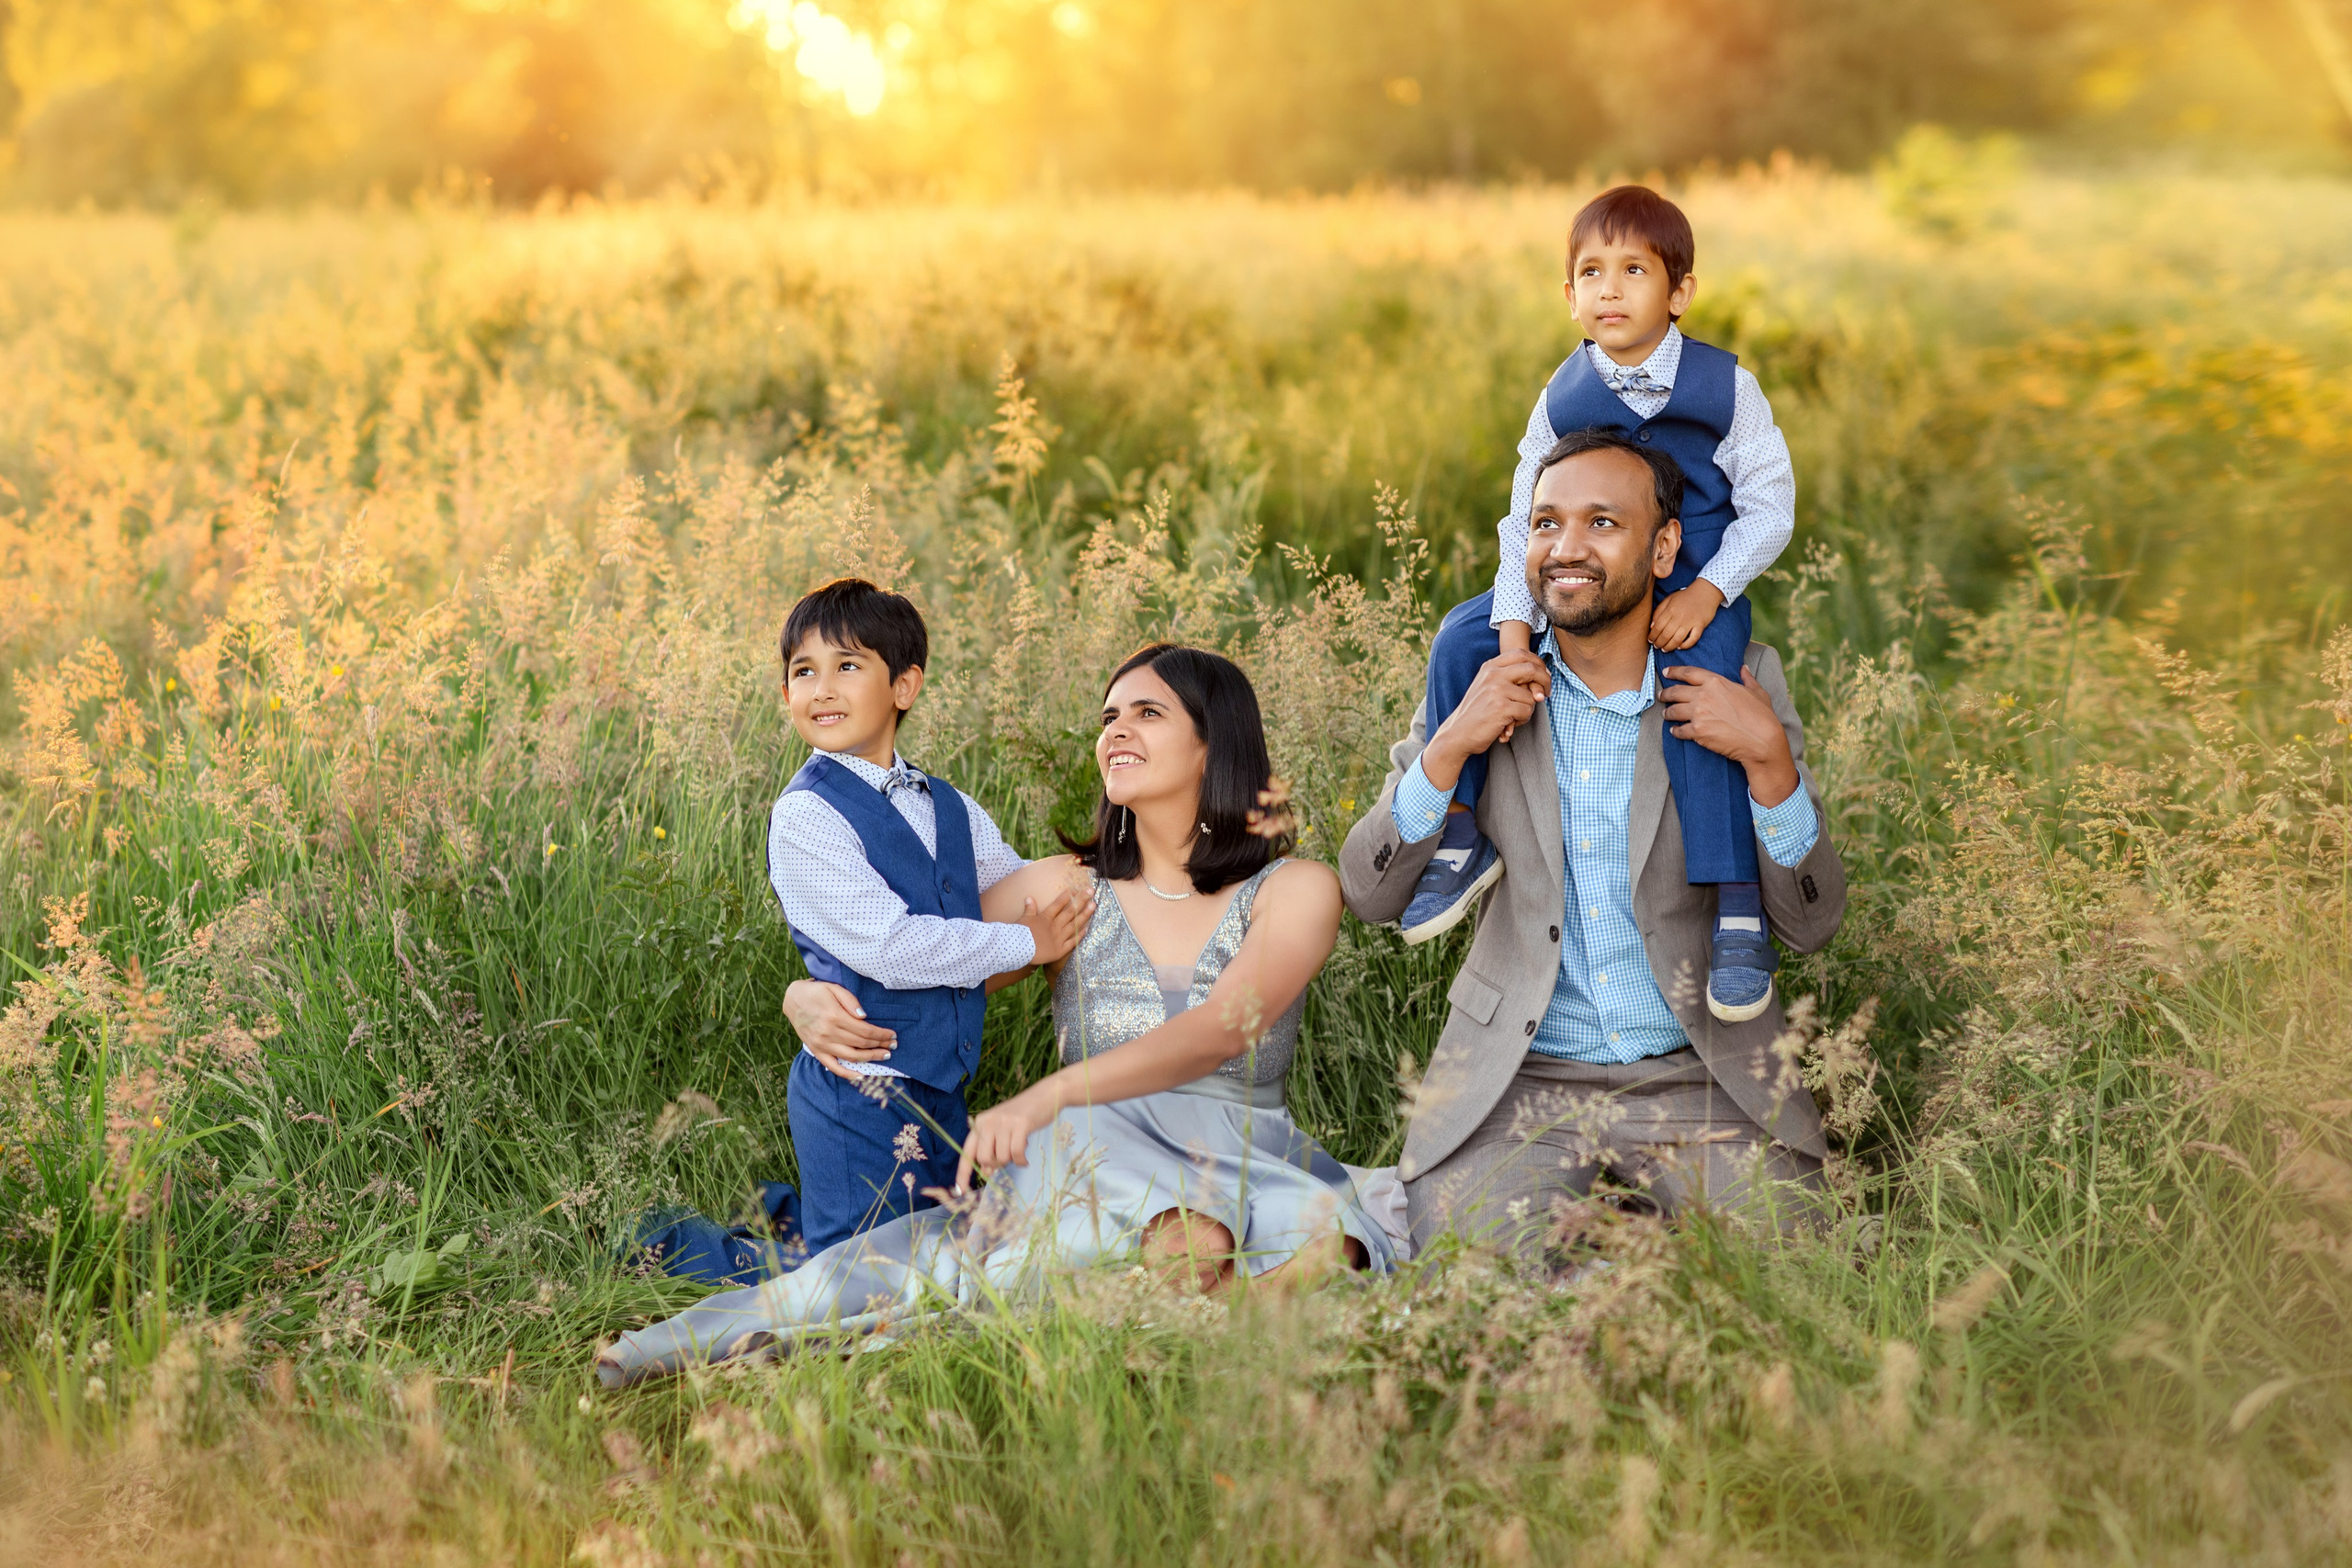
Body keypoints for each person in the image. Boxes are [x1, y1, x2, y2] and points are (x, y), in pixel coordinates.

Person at [597, 645, 1396, 1387]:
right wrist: (801, 996)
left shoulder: (1295, 888)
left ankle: (1190, 1307)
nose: (1116, 730)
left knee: (1334, 1244)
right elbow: (906, 962)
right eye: (1109, 716)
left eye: (1147, 714)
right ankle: (1173, 1297)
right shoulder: (1066, 885)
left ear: (1213, 744)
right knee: (1141, 1240)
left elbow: (1225, 1026)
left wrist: (1045, 1092)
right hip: (1093, 1140)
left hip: (1244, 1141)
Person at [1339, 429, 1846, 1265]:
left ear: (1665, 546)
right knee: (1481, 1291)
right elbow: (1370, 891)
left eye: (1603, 522)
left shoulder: (1740, 676)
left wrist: (1770, 763)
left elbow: (1811, 922)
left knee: (1791, 1284)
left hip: (1703, 1076)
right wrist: (1447, 749)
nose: (1565, 548)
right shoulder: (1482, 679)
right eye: (1545, 524)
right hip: (1517, 1082)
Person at [1402, 187, 1797, 1032]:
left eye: (1633, 270)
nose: (1610, 289)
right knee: (1458, 638)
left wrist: (1706, 590)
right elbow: (1523, 517)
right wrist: (1514, 632)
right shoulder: (1563, 392)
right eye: (1591, 272)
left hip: (1694, 579)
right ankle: (1462, 830)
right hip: (1582, 576)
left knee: (1702, 692)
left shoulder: (1726, 385)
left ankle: (1735, 905)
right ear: (1569, 296)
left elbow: (1771, 507)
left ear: (1678, 291)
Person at [766, 579, 1092, 1260]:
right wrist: (1028, 942)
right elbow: (888, 945)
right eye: (804, 671)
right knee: (861, 1276)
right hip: (858, 1088)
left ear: (904, 687)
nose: (821, 687)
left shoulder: (947, 804)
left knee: (942, 1254)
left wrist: (1070, 899)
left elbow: (1005, 879)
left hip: (941, 1086)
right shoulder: (805, 814)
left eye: (847, 665)